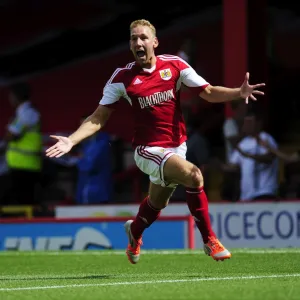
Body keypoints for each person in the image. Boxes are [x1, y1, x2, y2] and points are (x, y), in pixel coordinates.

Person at [45, 19, 265, 263]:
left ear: (155, 42)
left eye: (143, 38)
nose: (138, 42)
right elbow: (99, 117)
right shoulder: (122, 78)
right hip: (147, 150)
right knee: (194, 175)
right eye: (133, 39)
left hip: (176, 147)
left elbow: (209, 92)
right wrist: (72, 141)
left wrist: (239, 92)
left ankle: (134, 232)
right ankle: (209, 240)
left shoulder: (175, 65)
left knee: (156, 204)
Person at [2, 82, 42, 205]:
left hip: (26, 166)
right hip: (17, 165)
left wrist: (8, 132)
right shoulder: (22, 112)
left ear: (15, 96)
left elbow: (11, 134)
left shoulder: (27, 113)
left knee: (23, 202)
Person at [226, 113, 279, 201]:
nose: (247, 125)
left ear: (258, 123)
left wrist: (249, 156)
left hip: (265, 193)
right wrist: (219, 166)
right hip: (246, 197)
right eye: (245, 123)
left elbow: (270, 158)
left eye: (250, 122)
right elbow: (233, 166)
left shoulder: (266, 138)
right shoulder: (243, 143)